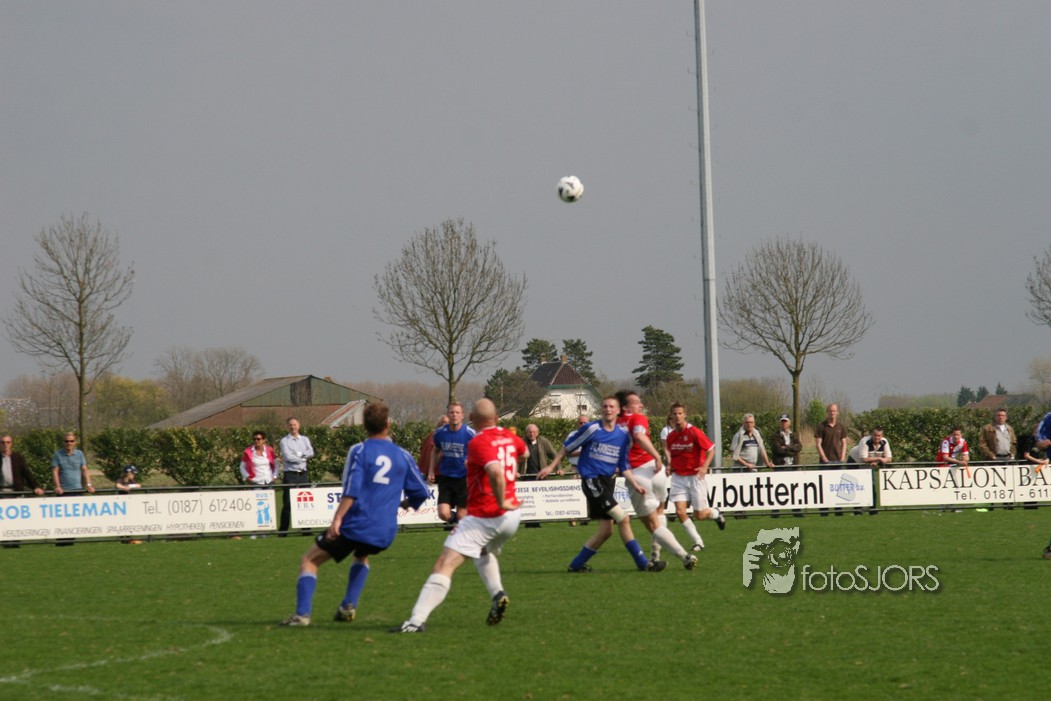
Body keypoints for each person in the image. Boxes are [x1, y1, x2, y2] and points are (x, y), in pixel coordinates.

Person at [282, 403, 430, 626]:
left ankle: (302, 615)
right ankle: (347, 606)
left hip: (357, 523)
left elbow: (351, 489)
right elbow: (422, 492)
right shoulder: (403, 455)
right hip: (385, 530)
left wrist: (337, 519)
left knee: (309, 560)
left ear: (365, 426)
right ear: (388, 425)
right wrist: (404, 503)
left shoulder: (360, 451)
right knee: (361, 554)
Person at [393, 399, 525, 633]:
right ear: (496, 418)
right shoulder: (508, 436)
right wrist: (511, 474)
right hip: (513, 516)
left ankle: (415, 622)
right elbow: (524, 453)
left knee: (445, 563)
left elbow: (495, 472)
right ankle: (498, 594)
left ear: (471, 418)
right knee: (481, 550)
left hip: (488, 514)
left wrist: (501, 499)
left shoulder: (478, 441)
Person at [537, 395, 668, 573]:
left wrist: (635, 484)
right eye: (605, 406)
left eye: (611, 407)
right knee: (623, 518)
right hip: (592, 480)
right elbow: (567, 448)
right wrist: (551, 466)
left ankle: (576, 565)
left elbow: (624, 465)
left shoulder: (622, 435)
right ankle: (643, 563)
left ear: (618, 410)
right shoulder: (592, 428)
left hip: (607, 482)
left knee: (606, 531)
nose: (608, 409)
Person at [615, 390, 695, 569]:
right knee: (659, 512)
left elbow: (638, 437)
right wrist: (657, 456)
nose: (640, 405)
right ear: (625, 407)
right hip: (655, 471)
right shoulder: (638, 418)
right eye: (636, 402)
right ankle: (655, 555)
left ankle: (685, 556)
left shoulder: (613, 424)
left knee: (652, 524)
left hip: (638, 474)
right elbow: (639, 435)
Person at [665, 402, 726, 553]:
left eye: (680, 413)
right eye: (675, 414)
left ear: (685, 415)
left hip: (695, 477)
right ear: (671, 416)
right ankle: (698, 542)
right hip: (678, 478)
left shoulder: (694, 432)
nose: (677, 416)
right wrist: (670, 466)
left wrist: (705, 467)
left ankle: (716, 513)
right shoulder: (671, 436)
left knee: (699, 515)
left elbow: (711, 449)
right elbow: (675, 456)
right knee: (680, 512)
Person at [428, 402, 476, 525]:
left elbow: (479, 453)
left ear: (462, 415)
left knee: (462, 515)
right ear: (448, 414)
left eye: (457, 412)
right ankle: (458, 522)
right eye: (452, 412)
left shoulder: (470, 434)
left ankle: (462, 524)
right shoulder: (440, 433)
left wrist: (471, 463)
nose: (454, 415)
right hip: (446, 477)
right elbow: (435, 451)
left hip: (463, 479)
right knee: (443, 514)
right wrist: (431, 471)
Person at [279, 417, 315, 536]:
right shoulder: (284, 441)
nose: (293, 427)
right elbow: (288, 457)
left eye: (294, 424)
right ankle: (283, 531)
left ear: (298, 425)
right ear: (287, 427)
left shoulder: (305, 439)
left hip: (303, 474)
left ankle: (306, 530)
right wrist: (303, 457)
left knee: (305, 503)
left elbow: (311, 452)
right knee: (288, 503)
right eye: (290, 425)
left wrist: (298, 455)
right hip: (290, 475)